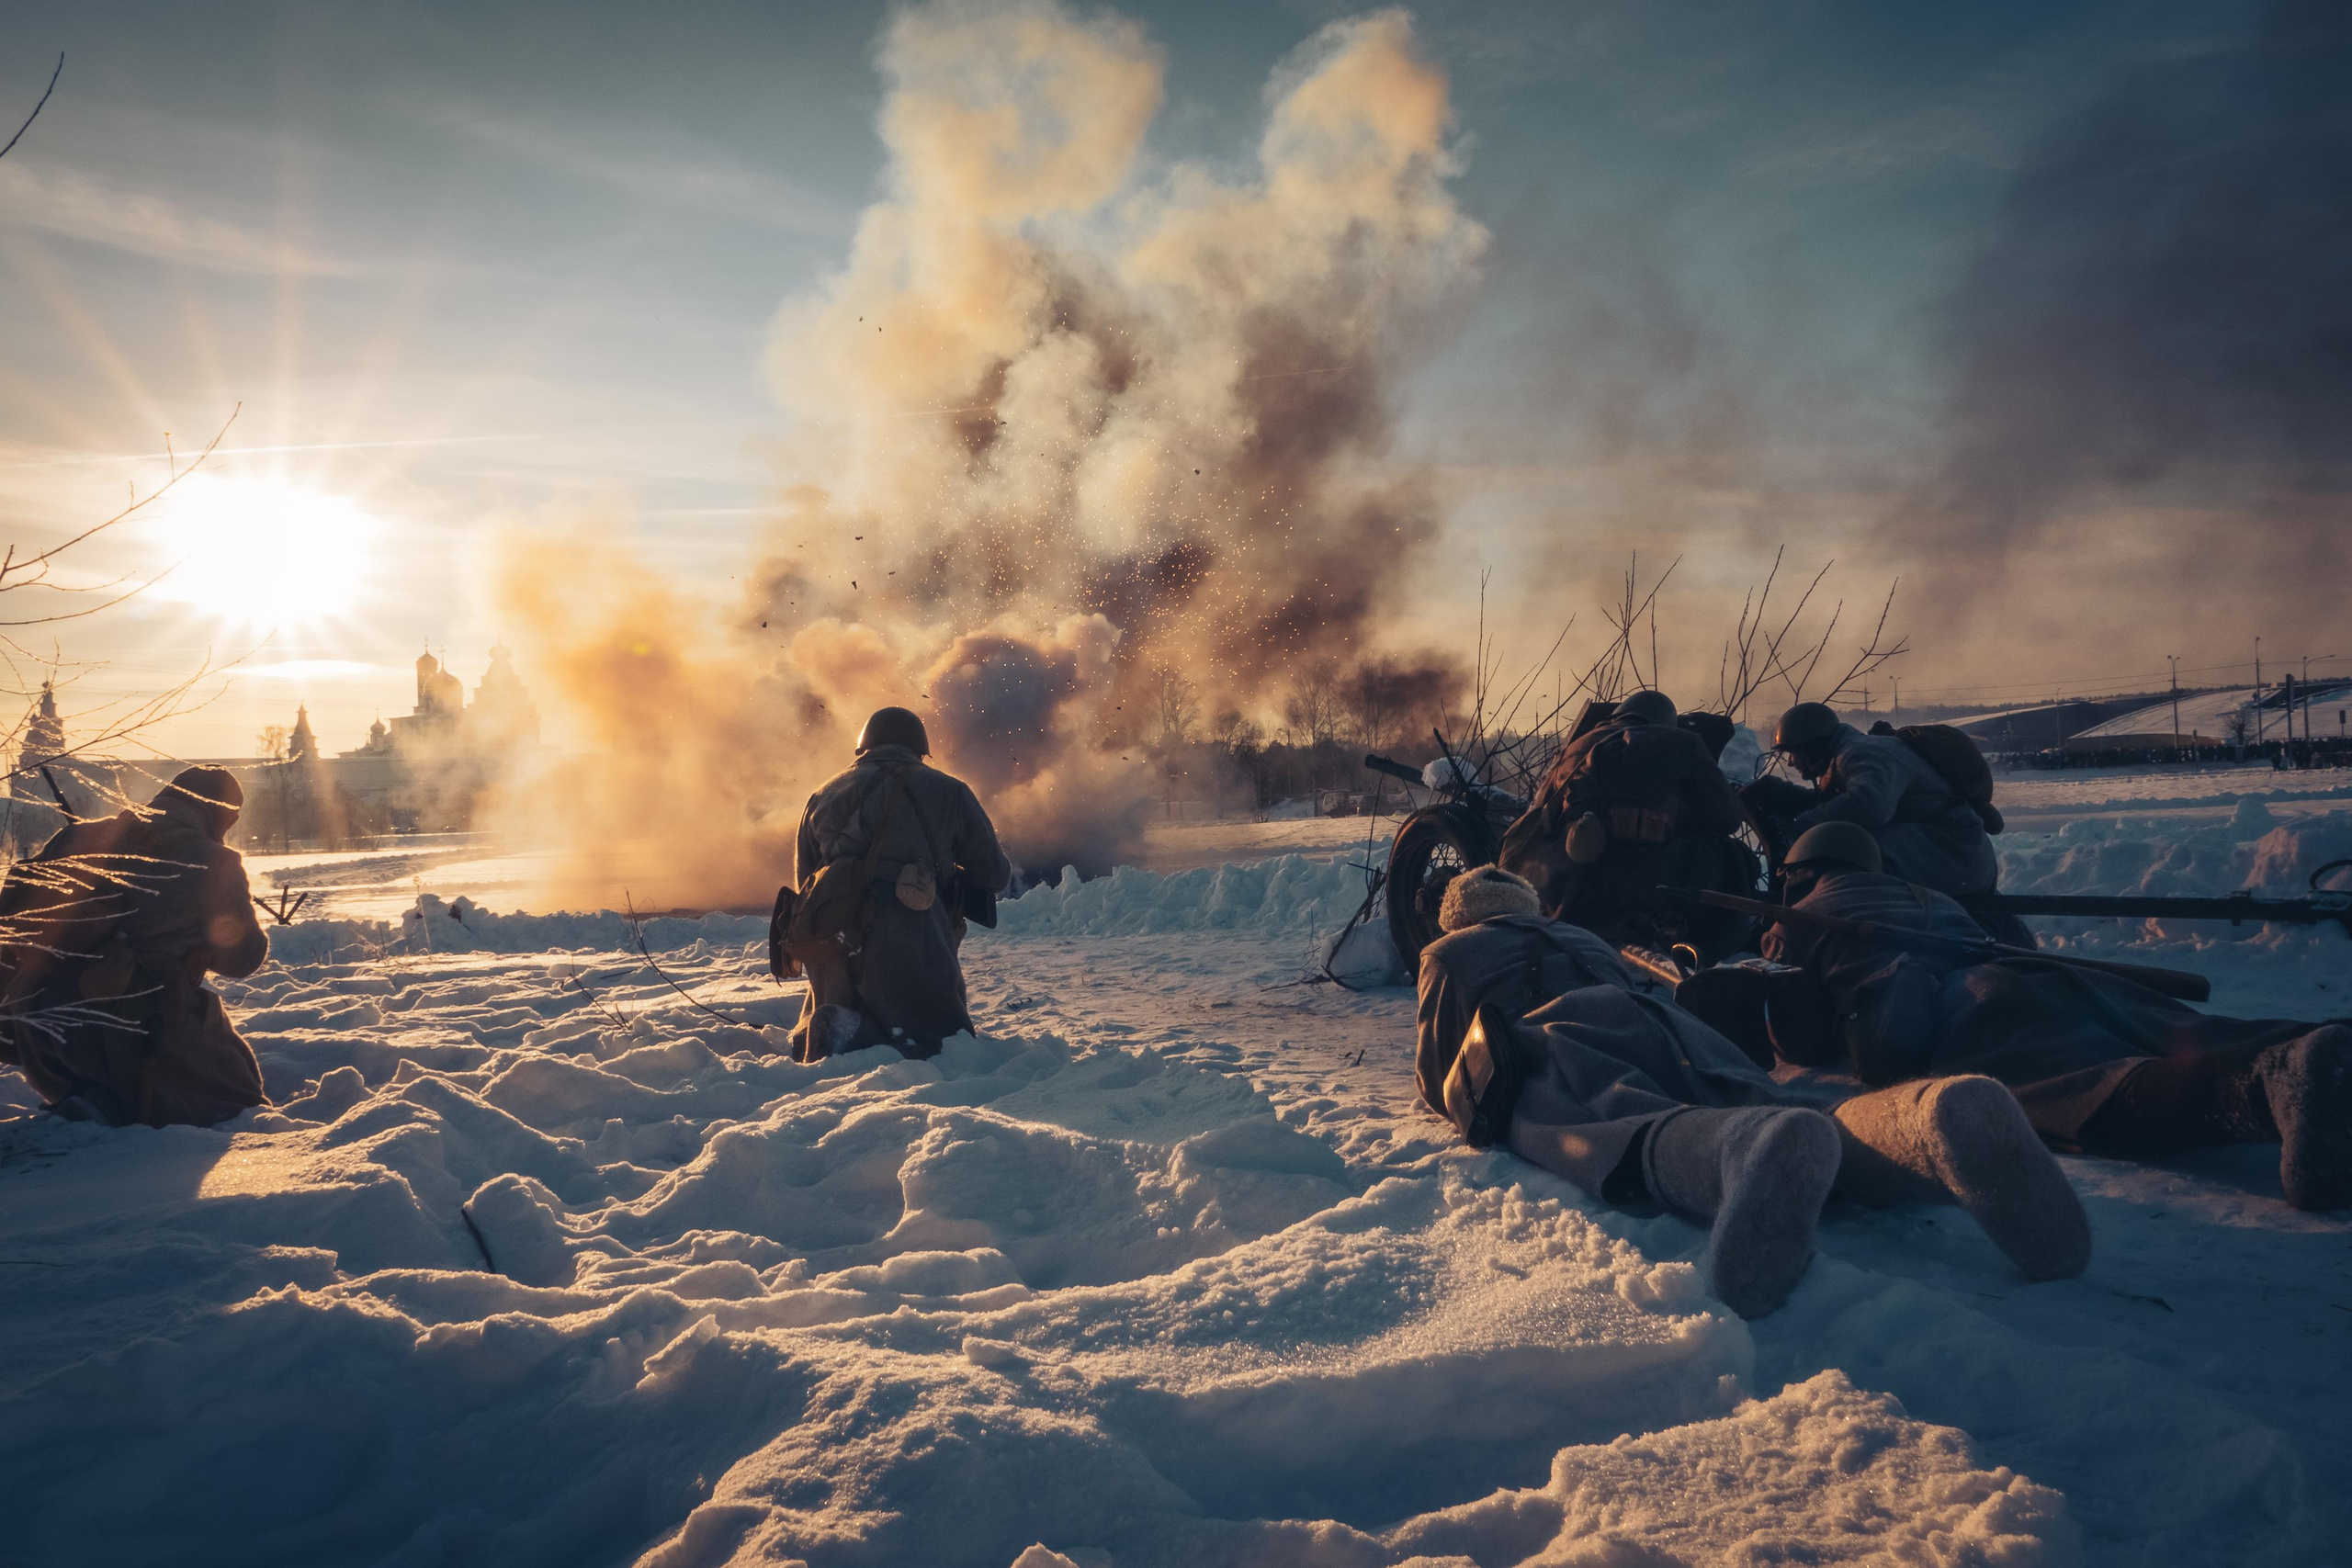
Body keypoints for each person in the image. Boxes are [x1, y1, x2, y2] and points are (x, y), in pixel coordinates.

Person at [1417, 864, 2089, 1317]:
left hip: (1560, 1033)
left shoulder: (1451, 952)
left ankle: (1744, 1150)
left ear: (1457, 918)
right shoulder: (1578, 934)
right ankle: (1923, 1123)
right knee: (1778, 1106)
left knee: (1620, 1120)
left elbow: (1438, 1068)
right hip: (1668, 1020)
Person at [1716, 821, 2352, 1212]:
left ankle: (2268, 1089)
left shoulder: (1800, 914)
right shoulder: (1924, 892)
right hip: (2043, 973)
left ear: (1799, 873)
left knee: (2091, 1090)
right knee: (2184, 1032)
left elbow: (1800, 1040)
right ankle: (2311, 1051)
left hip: (1969, 1006)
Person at [0, 766, 270, 1127]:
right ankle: (111, 1112)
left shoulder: (76, 836)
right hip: (139, 1026)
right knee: (238, 1102)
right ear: (227, 816)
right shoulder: (212, 859)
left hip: (37, 1020)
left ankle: (86, 1106)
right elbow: (243, 959)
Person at [789, 706, 1011, 1061]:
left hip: (833, 931)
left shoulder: (823, 794)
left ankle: (837, 1020)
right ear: (920, 750)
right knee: (933, 1036)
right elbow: (994, 873)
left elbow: (806, 880)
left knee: (842, 997)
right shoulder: (950, 792)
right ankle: (855, 1031)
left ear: (864, 747)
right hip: (912, 926)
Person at [1499, 690, 1756, 961]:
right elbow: (1726, 818)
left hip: (1570, 890)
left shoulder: (1575, 747)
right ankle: (1715, 948)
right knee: (1729, 852)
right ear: (1667, 721)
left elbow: (1541, 815)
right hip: (1645, 885)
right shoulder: (1684, 743)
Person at [1742, 702, 1997, 902]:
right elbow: (1844, 803)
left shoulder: (1859, 752)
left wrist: (1805, 826)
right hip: (1948, 853)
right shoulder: (1851, 753)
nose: (1789, 762)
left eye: (1792, 753)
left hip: (1955, 854)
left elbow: (1870, 806)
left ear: (1810, 748)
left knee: (1836, 855)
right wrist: (1789, 796)